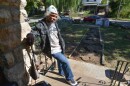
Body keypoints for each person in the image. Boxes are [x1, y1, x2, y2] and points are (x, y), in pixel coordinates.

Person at [26, 5, 78, 86]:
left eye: (55, 16)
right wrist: (30, 35)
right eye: (52, 16)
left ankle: (61, 72)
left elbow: (57, 34)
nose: (54, 18)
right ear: (47, 14)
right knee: (66, 62)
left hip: (60, 46)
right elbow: (34, 31)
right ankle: (70, 79)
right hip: (52, 49)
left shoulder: (55, 23)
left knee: (61, 60)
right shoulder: (41, 24)